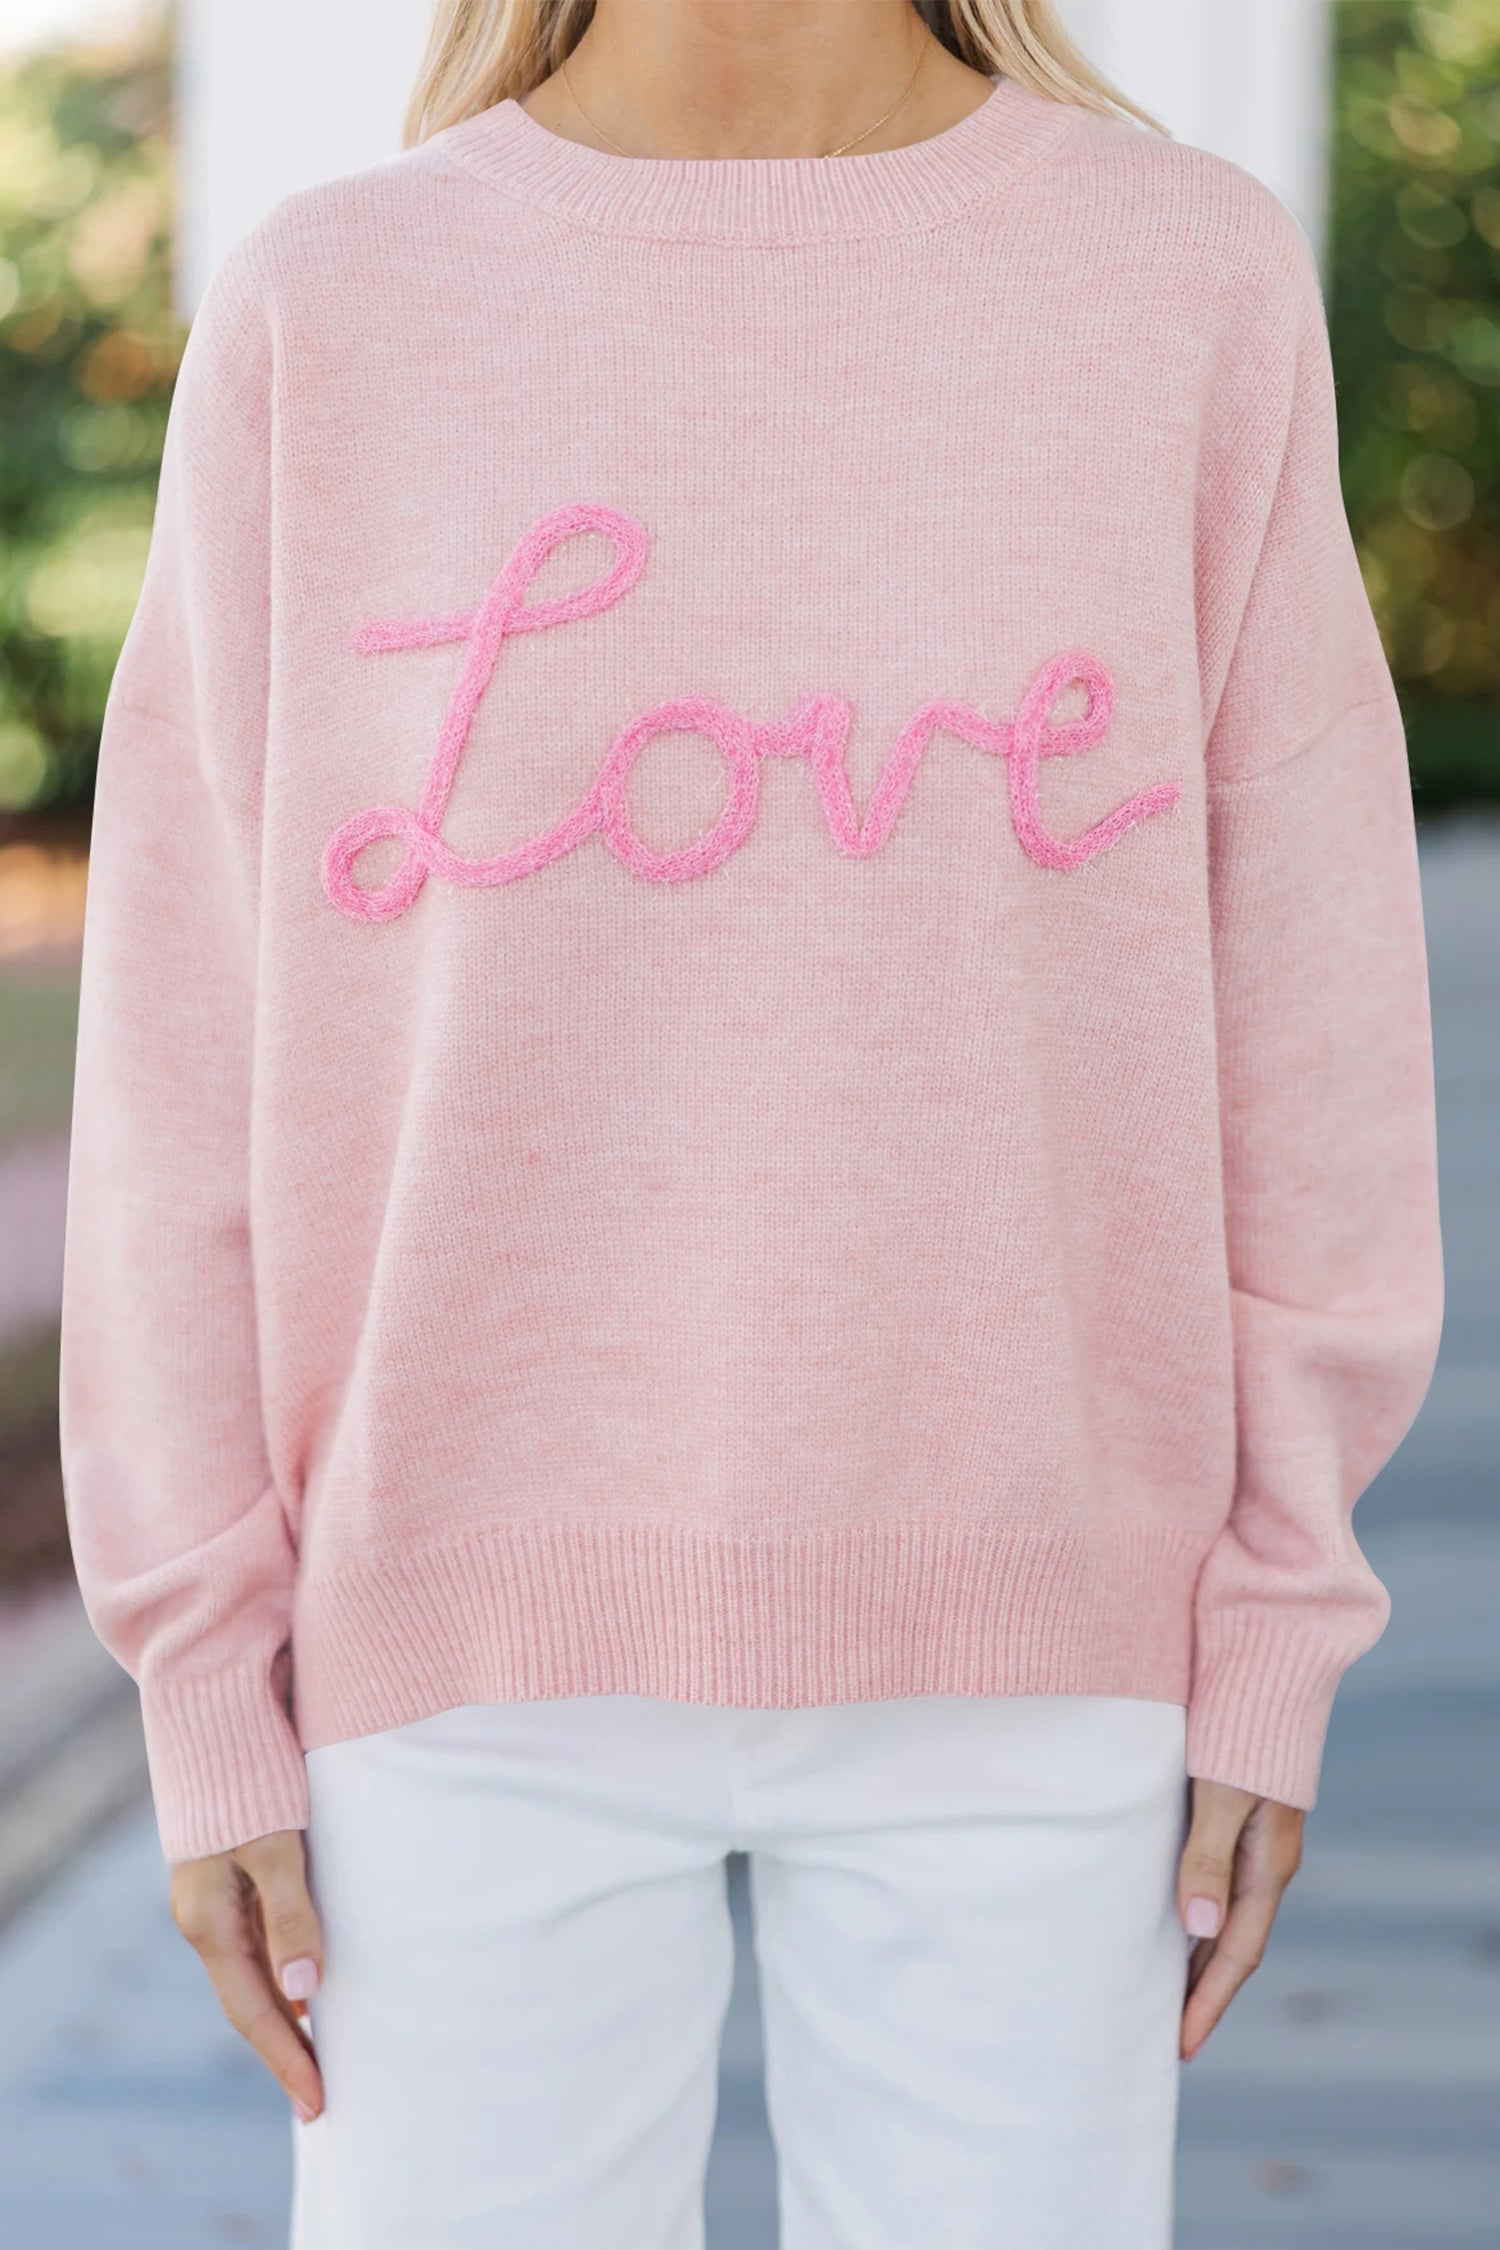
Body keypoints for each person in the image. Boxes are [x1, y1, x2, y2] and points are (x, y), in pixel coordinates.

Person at [58, 1, 1444, 2243]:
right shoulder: (334, 304)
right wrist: (204, 1667)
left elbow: (1317, 1010)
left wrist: (1282, 1615)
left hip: (1040, 1637)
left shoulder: (1181, 281)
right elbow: (179, 1049)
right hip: (450, 1654)